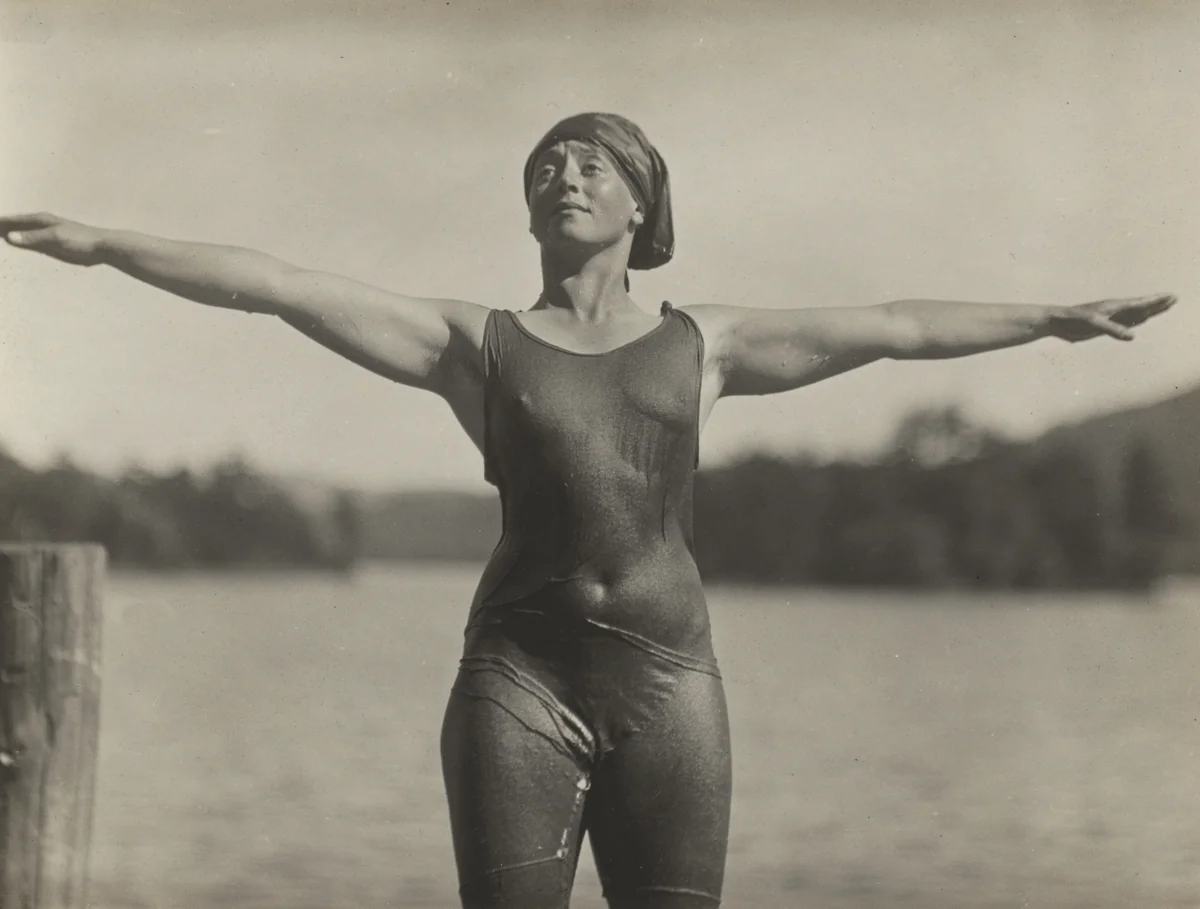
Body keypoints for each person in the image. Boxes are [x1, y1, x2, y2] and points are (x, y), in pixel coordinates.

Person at [1, 112, 1176, 909]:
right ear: (529, 211)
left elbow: (898, 326)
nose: (564, 175)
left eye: (592, 163)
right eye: (548, 165)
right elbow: (278, 286)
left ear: (642, 205)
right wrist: (103, 243)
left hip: (673, 685)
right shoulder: (479, 344)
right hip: (518, 681)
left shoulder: (704, 343)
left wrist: (1050, 314)